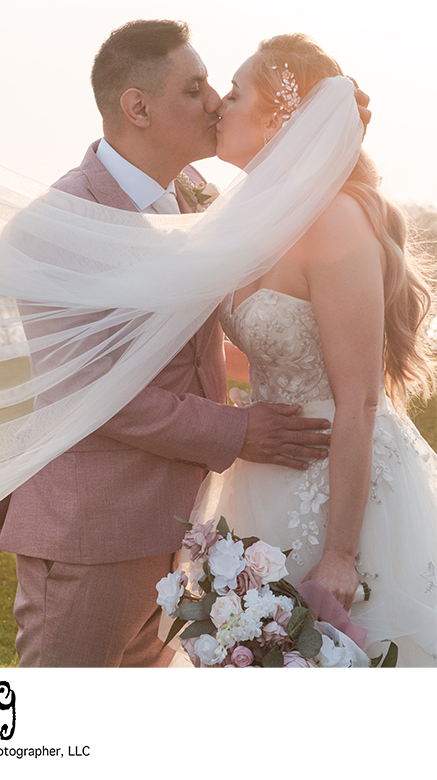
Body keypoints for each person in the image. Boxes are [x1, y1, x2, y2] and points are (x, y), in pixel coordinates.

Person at [0, 20, 375, 668]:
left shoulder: (199, 199)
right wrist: (237, 432)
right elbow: (99, 395)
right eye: (196, 88)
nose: (217, 104)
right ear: (137, 107)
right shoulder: (58, 225)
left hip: (186, 532)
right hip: (95, 531)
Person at [186, 33, 436, 666]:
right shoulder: (253, 224)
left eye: (235, 93)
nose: (221, 105)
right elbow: (266, 356)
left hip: (342, 482)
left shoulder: (334, 219)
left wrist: (341, 554)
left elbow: (358, 397)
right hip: (265, 467)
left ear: (277, 119)